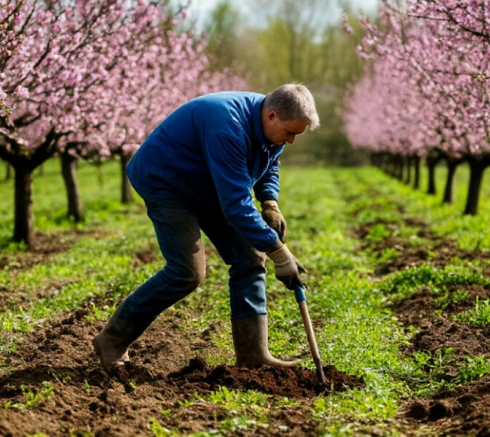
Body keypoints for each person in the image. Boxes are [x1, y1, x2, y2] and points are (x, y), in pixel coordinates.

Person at [92, 84, 320, 371]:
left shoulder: (271, 125)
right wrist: (279, 251)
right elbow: (235, 204)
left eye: (297, 135)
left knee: (249, 257)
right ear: (272, 115)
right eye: (289, 133)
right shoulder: (227, 126)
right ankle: (112, 339)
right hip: (166, 182)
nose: (291, 141)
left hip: (210, 183)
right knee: (187, 272)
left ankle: (253, 355)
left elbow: (269, 161)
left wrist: (269, 202)